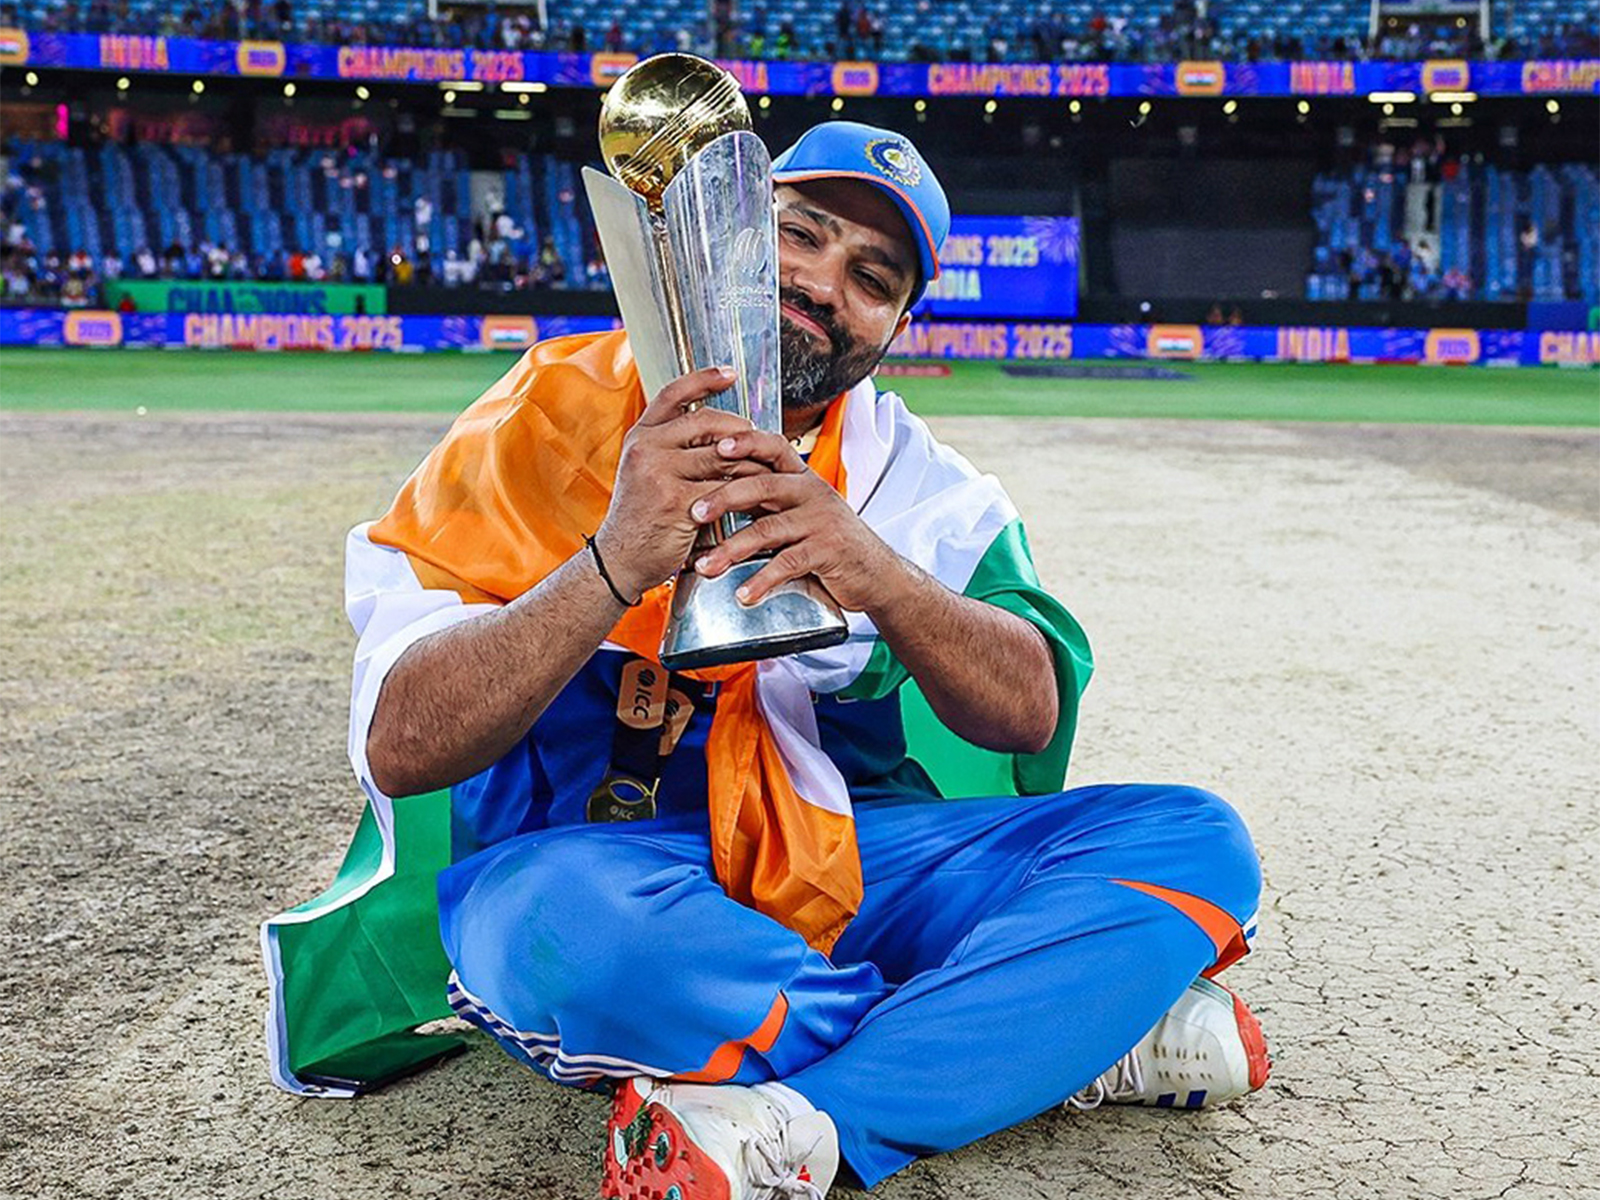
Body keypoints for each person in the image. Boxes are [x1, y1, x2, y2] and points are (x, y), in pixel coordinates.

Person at [266, 122, 1267, 1197]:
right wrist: (609, 564)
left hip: (844, 858)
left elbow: (1027, 707)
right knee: (575, 940)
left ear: (895, 325)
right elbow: (406, 743)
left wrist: (872, 569)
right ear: (729, 235)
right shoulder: (534, 422)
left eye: (871, 276)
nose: (822, 282)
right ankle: (1047, 1030)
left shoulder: (910, 477)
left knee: (1192, 840)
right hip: (601, 875)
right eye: (801, 234)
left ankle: (808, 1118)